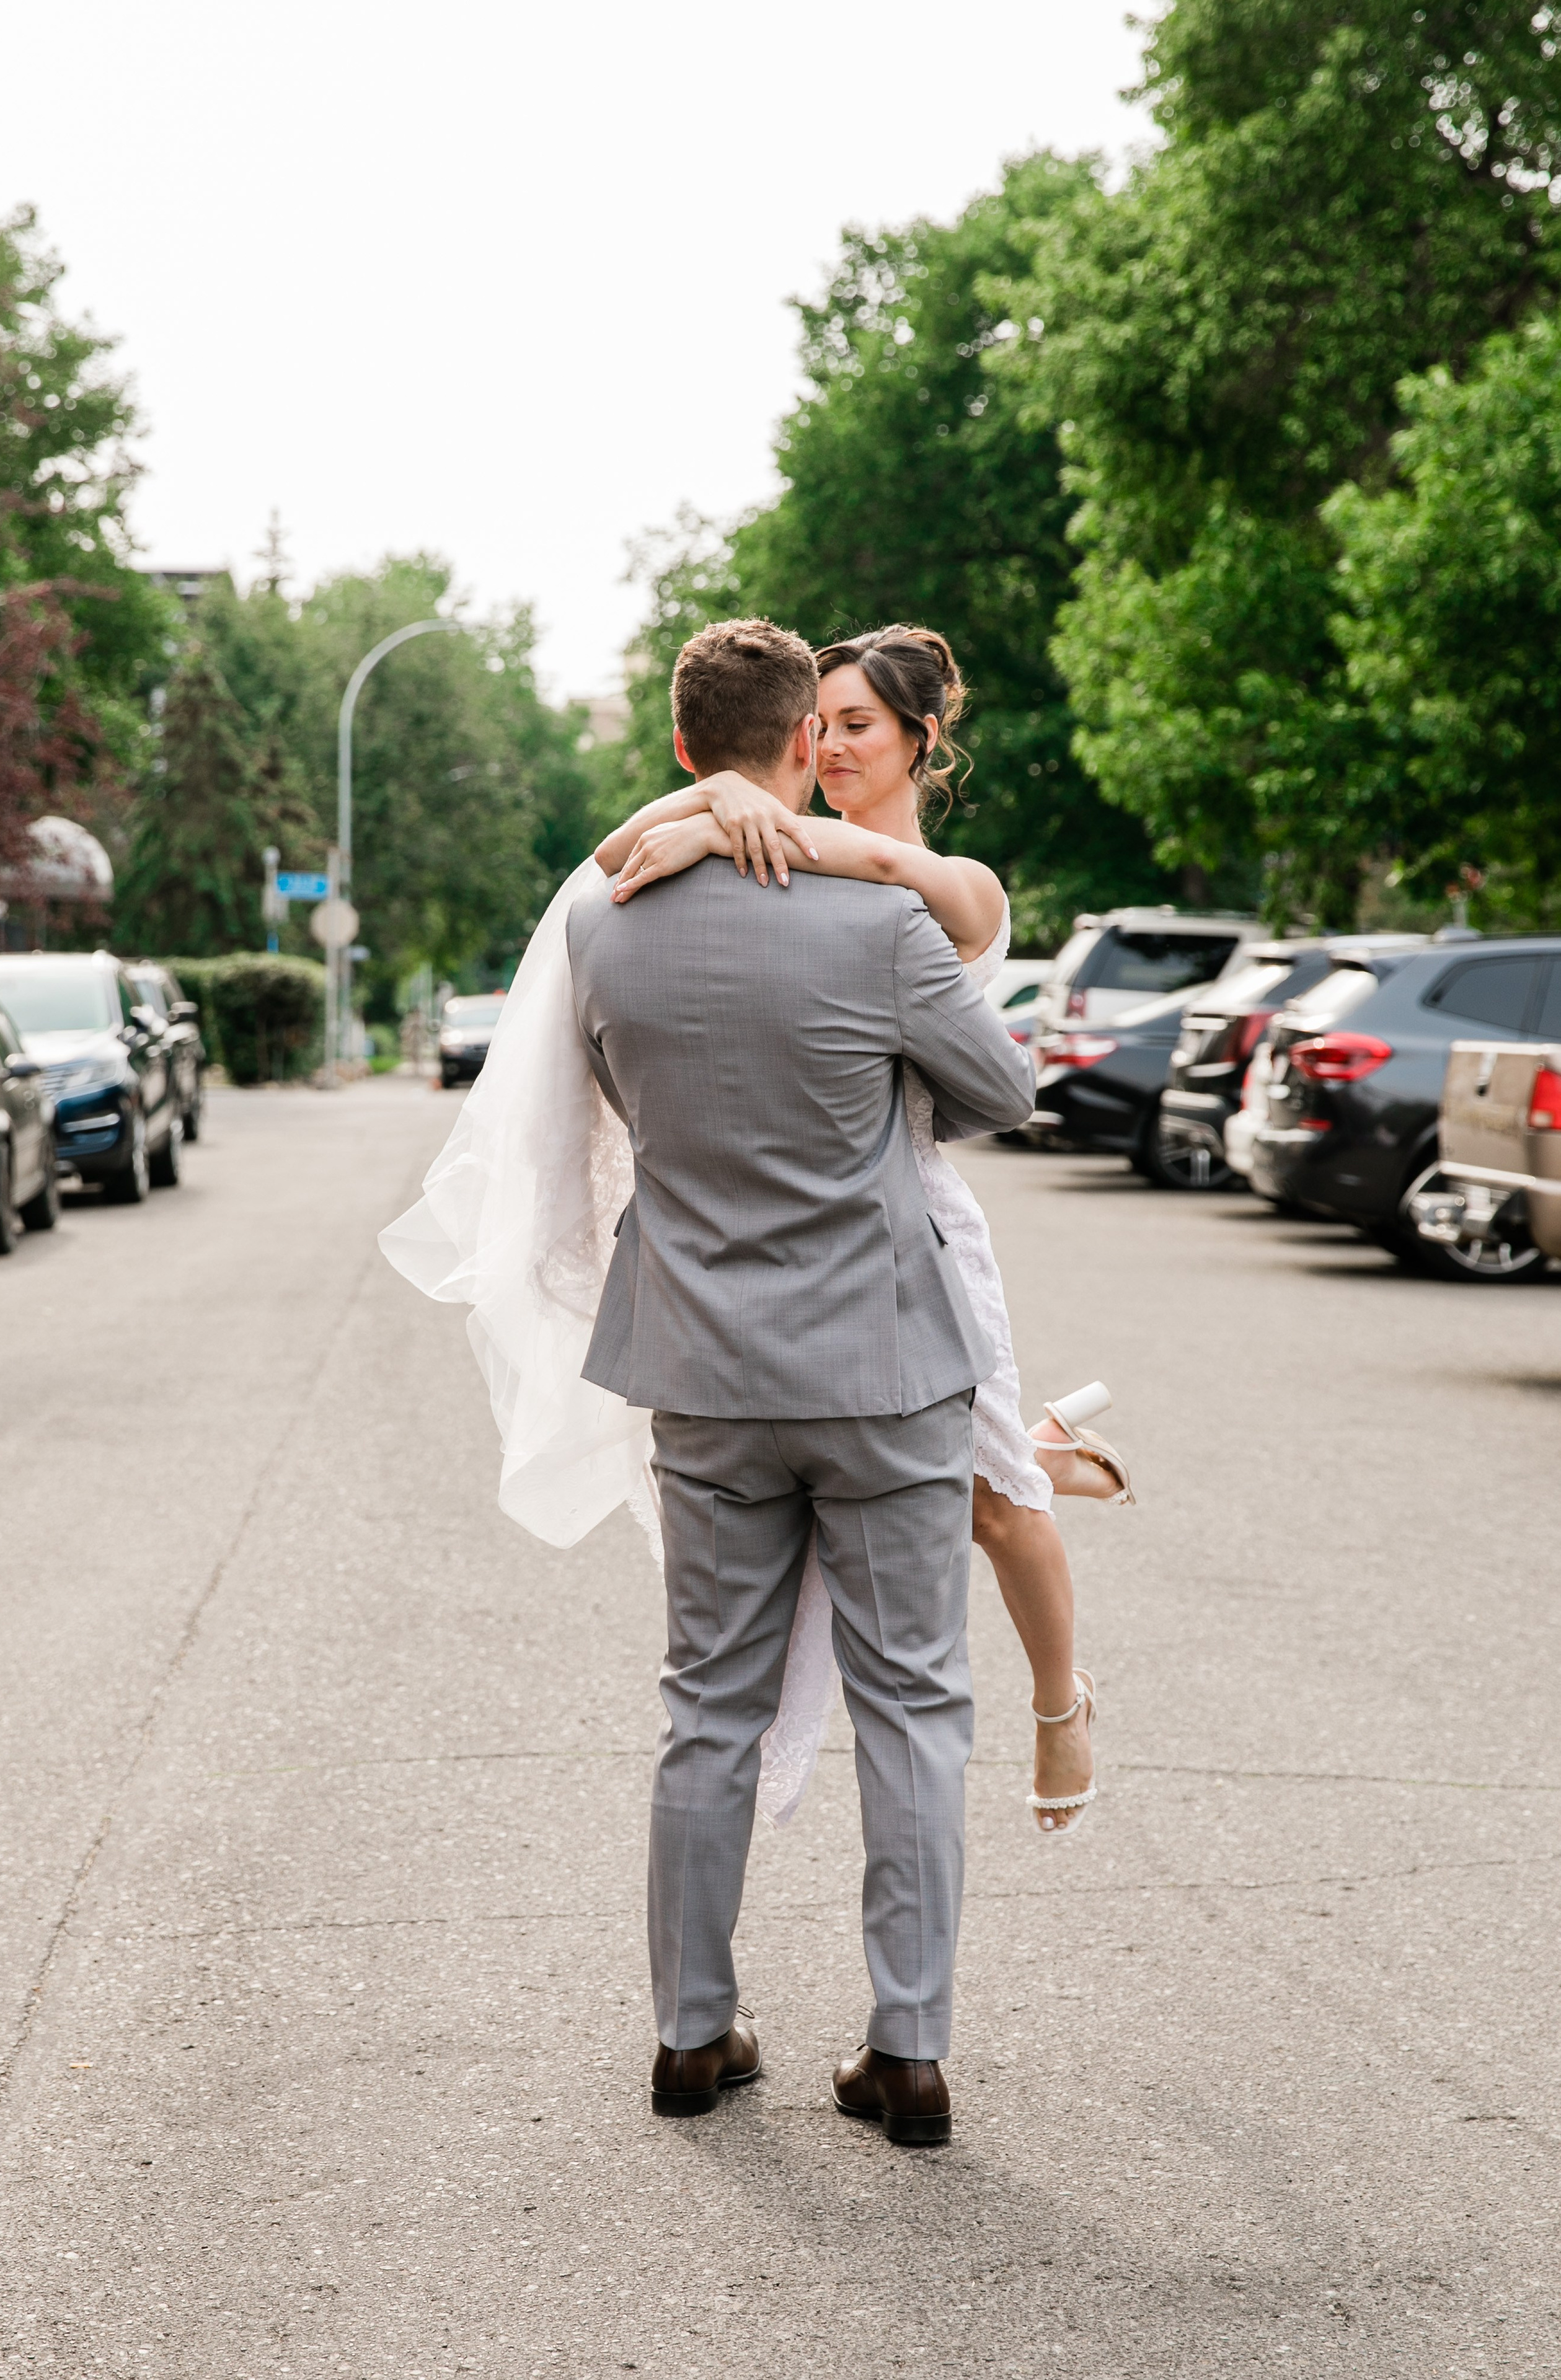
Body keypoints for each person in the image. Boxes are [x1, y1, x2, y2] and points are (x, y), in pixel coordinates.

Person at [564, 615, 1048, 2144]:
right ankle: (906, 2054)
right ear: (797, 750)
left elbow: (610, 1089)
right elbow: (1004, 1093)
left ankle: (688, 2039)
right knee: (913, 1703)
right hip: (886, 1368)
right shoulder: (878, 931)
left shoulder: (604, 922)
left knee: (706, 1703)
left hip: (701, 1372)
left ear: (682, 753)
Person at [597, 624, 1132, 1836]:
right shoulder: (764, 835)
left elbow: (901, 887)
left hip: (919, 1224)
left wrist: (730, 815)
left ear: (918, 740)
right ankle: (1034, 1449)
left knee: (994, 1508)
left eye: (860, 727)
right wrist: (716, 803)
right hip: (789, 1234)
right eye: (818, 726)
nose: (832, 747)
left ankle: (1061, 1699)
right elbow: (611, 856)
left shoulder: (959, 887)